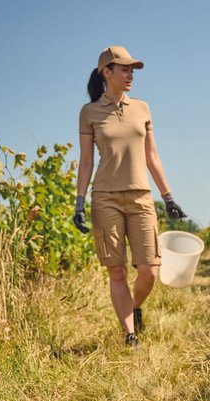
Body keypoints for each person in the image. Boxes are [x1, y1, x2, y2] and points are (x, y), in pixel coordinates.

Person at [74, 45, 186, 346]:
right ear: (106, 72)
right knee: (117, 270)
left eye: (132, 70)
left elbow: (153, 156)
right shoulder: (89, 113)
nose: (130, 75)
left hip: (141, 197)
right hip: (105, 197)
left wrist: (168, 196)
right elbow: (86, 161)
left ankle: (135, 307)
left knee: (149, 269)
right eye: (124, 69)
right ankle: (129, 334)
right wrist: (80, 201)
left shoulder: (142, 108)